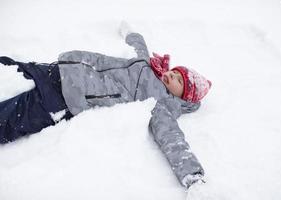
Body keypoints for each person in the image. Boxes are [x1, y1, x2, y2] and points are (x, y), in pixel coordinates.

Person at [0, 25, 212, 189]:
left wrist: (192, 175)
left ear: (183, 96)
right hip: (62, 71)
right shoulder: (149, 64)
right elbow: (138, 45)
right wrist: (131, 31)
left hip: (66, 98)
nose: (171, 76)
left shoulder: (161, 106)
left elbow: (172, 140)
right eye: (174, 72)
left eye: (178, 81)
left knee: (12, 116)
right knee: (10, 68)